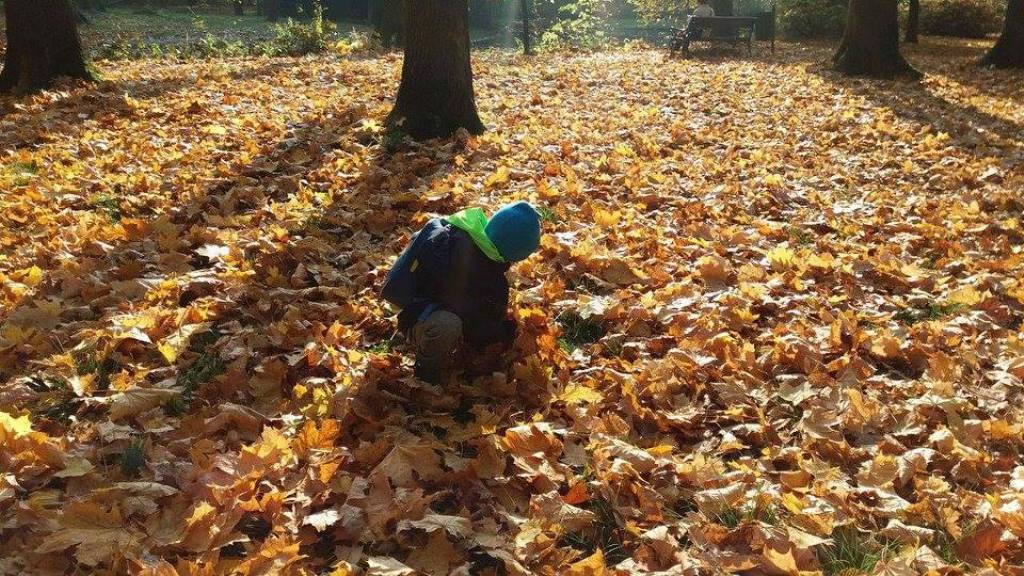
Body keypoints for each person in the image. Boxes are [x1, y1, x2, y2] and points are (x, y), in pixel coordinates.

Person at [381, 202, 542, 384]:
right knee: (448, 325)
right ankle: (426, 374)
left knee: (453, 321)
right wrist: (503, 335)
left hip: (426, 306)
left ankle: (415, 336)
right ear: (514, 251)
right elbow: (474, 319)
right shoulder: (467, 261)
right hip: (416, 314)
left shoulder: (474, 239)